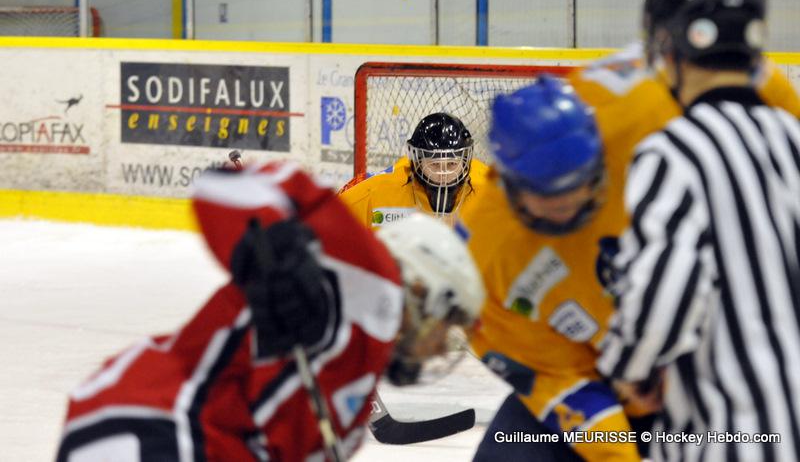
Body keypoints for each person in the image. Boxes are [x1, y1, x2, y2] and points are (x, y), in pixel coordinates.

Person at [55, 161, 484, 461]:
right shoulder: (357, 268)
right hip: (146, 419)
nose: (440, 346)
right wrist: (282, 247)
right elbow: (223, 188)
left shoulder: (360, 385)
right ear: (418, 294)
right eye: (443, 327)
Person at [596, 0, 800, 461]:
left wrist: (628, 368)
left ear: (667, 44)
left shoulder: (676, 152)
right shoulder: (794, 139)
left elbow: (665, 296)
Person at [461, 76, 643, 461]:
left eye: (581, 184)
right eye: (549, 196)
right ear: (509, 182)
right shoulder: (485, 254)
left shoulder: (639, 124)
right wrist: (617, 453)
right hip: (586, 374)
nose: (571, 203)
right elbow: (554, 378)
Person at [340, 112, 489, 228]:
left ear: (465, 161)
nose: (443, 174)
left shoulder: (490, 190)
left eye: (451, 164)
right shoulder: (377, 192)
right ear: (416, 160)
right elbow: (330, 218)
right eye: (434, 165)